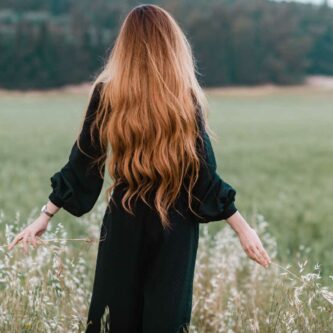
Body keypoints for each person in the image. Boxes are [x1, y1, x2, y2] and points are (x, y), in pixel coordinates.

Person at [7, 4, 271, 333]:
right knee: (166, 323)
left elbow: (84, 162)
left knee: (113, 322)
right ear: (171, 44)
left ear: (126, 46)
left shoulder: (108, 93)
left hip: (124, 221)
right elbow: (203, 176)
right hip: (176, 225)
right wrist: (243, 228)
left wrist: (45, 215)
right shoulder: (183, 98)